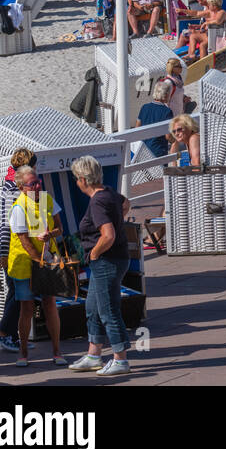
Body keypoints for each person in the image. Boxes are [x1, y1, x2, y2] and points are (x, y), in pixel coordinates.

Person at [67, 155, 133, 376]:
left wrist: (94, 253)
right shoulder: (109, 194)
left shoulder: (97, 201)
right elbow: (126, 203)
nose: (77, 183)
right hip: (115, 259)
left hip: (106, 260)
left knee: (108, 310)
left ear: (84, 180)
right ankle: (94, 355)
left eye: (77, 178)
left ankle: (120, 359)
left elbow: (108, 235)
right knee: (93, 307)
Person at [7, 165, 65, 367]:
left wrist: (51, 234)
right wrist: (41, 263)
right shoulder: (19, 207)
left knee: (50, 304)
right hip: (25, 263)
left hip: (45, 259)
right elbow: (25, 242)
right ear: (23, 187)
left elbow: (60, 228)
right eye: (33, 183)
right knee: (27, 307)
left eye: (38, 181)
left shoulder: (47, 199)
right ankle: (23, 353)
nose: (38, 185)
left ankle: (57, 352)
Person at [0, 148, 40, 354]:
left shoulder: (15, 182)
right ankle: (3, 332)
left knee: (20, 292)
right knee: (17, 293)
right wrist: (3, 253)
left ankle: (12, 334)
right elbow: (4, 223)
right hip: (11, 246)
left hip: (16, 245)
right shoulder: (13, 188)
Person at [135, 81, 177, 161]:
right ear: (166, 95)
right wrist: (174, 140)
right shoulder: (167, 111)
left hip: (143, 150)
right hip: (158, 151)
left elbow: (137, 128)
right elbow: (168, 136)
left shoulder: (144, 107)